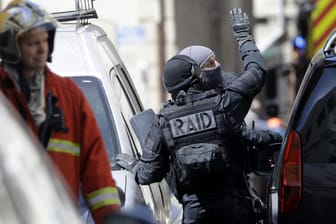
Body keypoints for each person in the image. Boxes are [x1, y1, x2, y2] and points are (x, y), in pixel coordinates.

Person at [116, 8, 282, 224]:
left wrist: (132, 165)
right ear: (195, 77)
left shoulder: (164, 122)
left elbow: (149, 174)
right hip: (237, 210)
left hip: (196, 215)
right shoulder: (225, 106)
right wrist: (243, 35)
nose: (217, 67)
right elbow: (257, 71)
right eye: (211, 64)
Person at [0, 1, 121, 223]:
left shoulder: (69, 96)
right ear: (10, 46)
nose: (41, 49)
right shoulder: (3, 97)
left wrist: (111, 217)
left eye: (45, 40)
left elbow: (96, 172)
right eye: (32, 43)